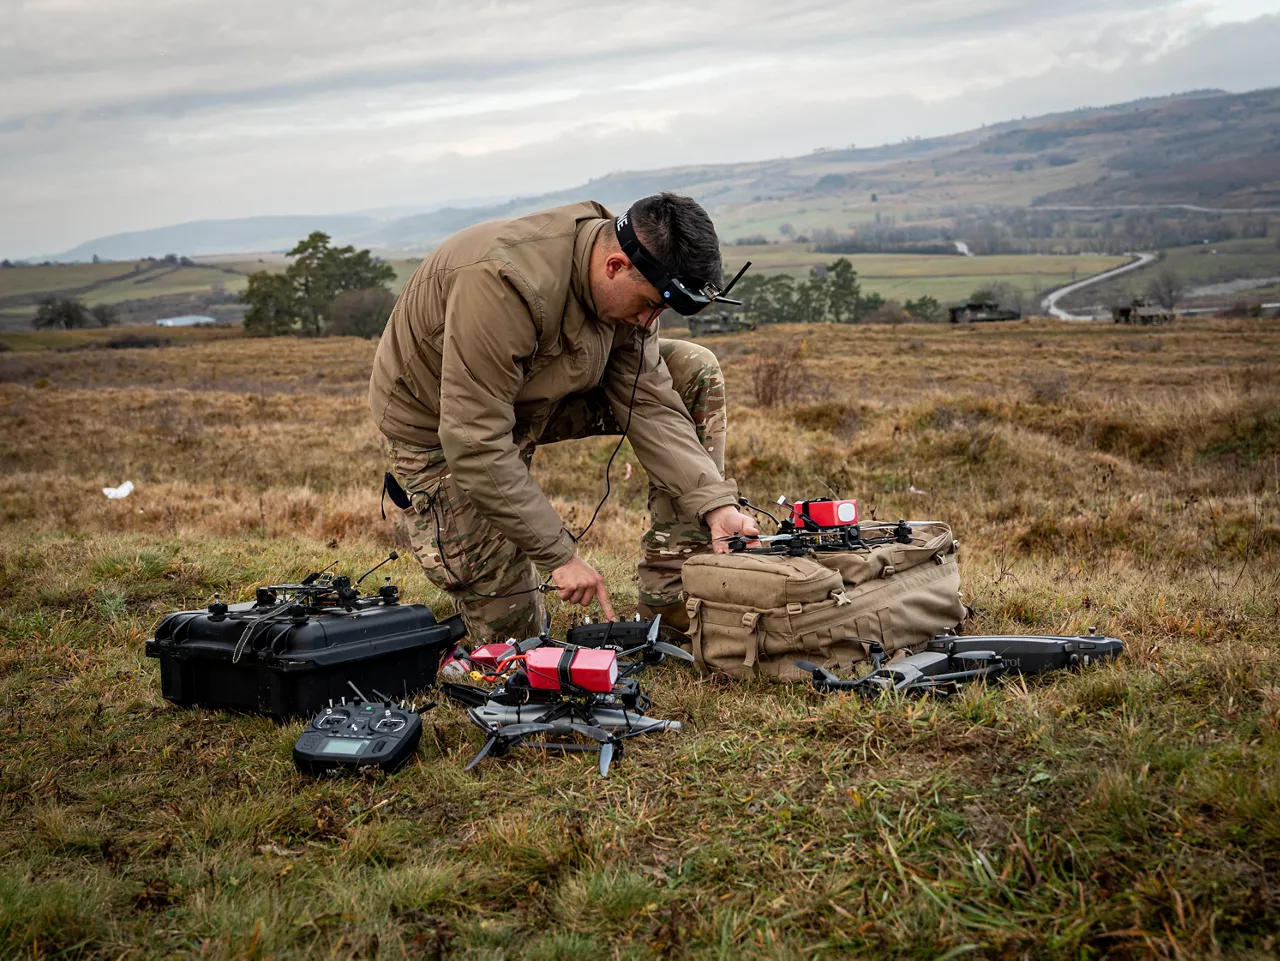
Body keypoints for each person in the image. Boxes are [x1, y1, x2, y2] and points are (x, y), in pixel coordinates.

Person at [369, 192, 758, 642]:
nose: (650, 321)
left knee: (692, 368)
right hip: (444, 429)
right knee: (516, 645)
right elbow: (475, 441)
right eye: (651, 304)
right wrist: (560, 556)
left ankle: (674, 591)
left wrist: (715, 503)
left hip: (538, 397)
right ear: (614, 267)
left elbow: (649, 401)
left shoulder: (628, 276)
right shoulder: (502, 282)